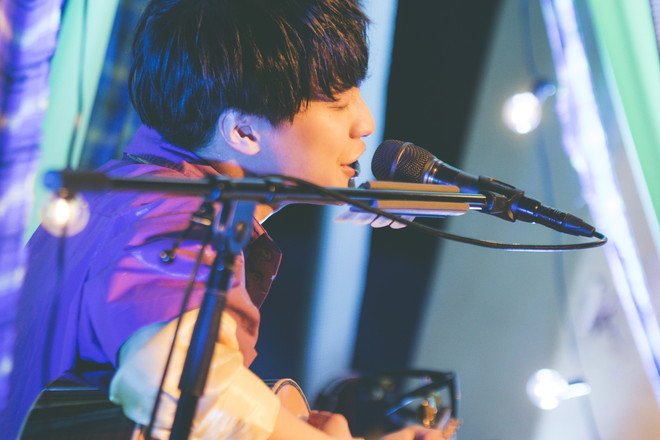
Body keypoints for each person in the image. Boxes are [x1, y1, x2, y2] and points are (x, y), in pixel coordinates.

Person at [6, 0, 458, 438]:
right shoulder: (176, 218)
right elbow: (176, 379)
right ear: (242, 131)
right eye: (338, 101)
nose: (365, 123)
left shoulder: (124, 193)